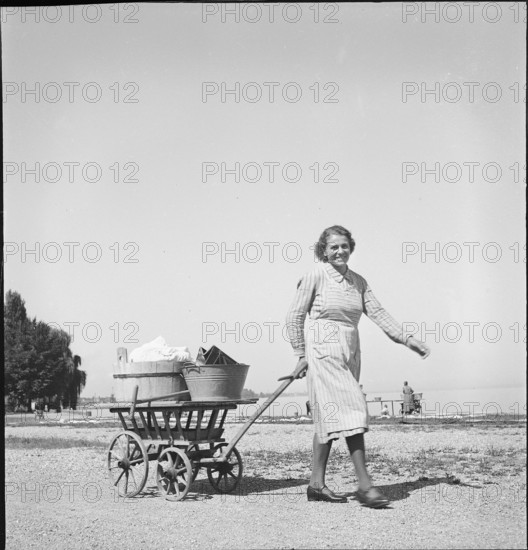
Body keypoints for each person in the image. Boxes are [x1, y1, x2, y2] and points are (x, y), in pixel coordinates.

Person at [285, 225, 430, 507]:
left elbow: (378, 313)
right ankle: (365, 486)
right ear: (323, 251)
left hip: (350, 350)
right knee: (354, 407)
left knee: (328, 417)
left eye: (344, 246)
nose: (340, 251)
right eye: (333, 247)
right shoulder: (316, 274)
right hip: (322, 350)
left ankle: (315, 485)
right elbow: (294, 316)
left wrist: (408, 339)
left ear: (351, 247)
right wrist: (300, 353)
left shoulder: (358, 281)